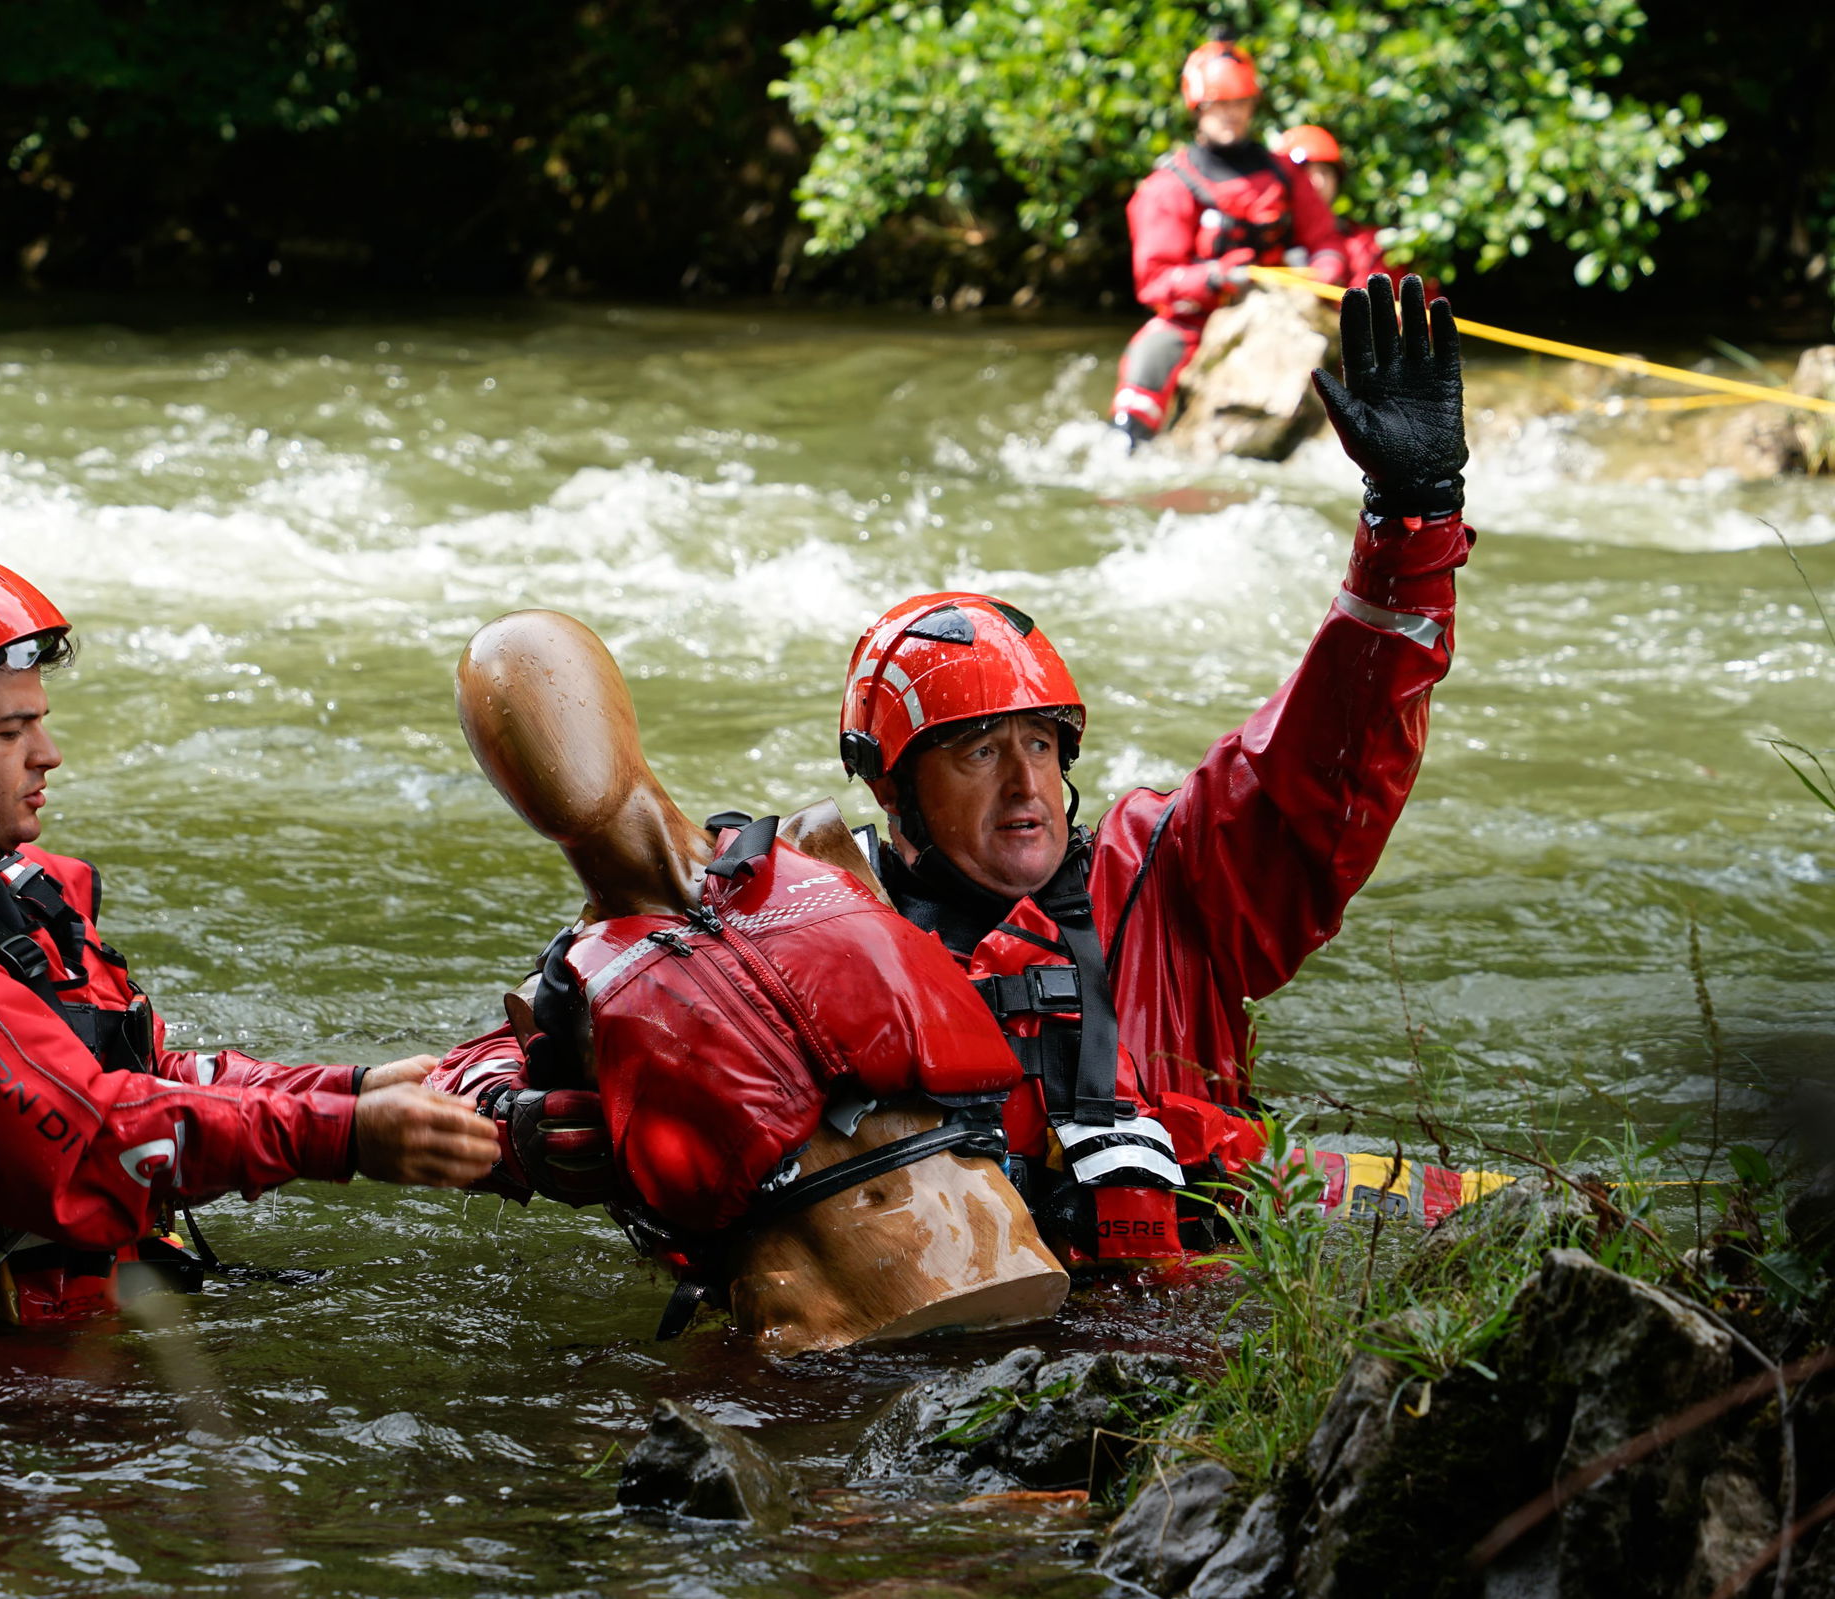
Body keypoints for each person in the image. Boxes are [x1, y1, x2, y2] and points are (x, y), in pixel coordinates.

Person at [442, 275, 1473, 1281]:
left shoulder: (1168, 878)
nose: (1026, 788)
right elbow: (499, 1052)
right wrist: (517, 1114)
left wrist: (1409, 523)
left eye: (1041, 747)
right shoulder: (786, 923)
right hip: (931, 1351)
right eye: (981, 753)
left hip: (1181, 1313)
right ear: (893, 794)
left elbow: (1334, 753)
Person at [0, 552, 498, 1321]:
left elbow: (135, 1070)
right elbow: (90, 1140)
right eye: (10, 733)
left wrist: (346, 1086)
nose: (50, 755)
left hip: (9, 1335)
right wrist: (342, 1136)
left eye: (41, 723)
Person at [1110, 40, 1348, 446]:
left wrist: (1321, 276)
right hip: (1197, 316)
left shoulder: (1283, 175)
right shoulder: (1168, 187)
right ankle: (1126, 441)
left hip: (1283, 306)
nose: (1231, 114)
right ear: (1198, 107)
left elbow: (1325, 241)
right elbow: (1154, 279)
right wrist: (1218, 277)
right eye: (1219, 103)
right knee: (1149, 356)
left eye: (1239, 103)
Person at [1270, 123, 1436, 299]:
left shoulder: (1366, 247)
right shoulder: (1262, 242)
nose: (1317, 183)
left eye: (1325, 172)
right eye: (1305, 174)